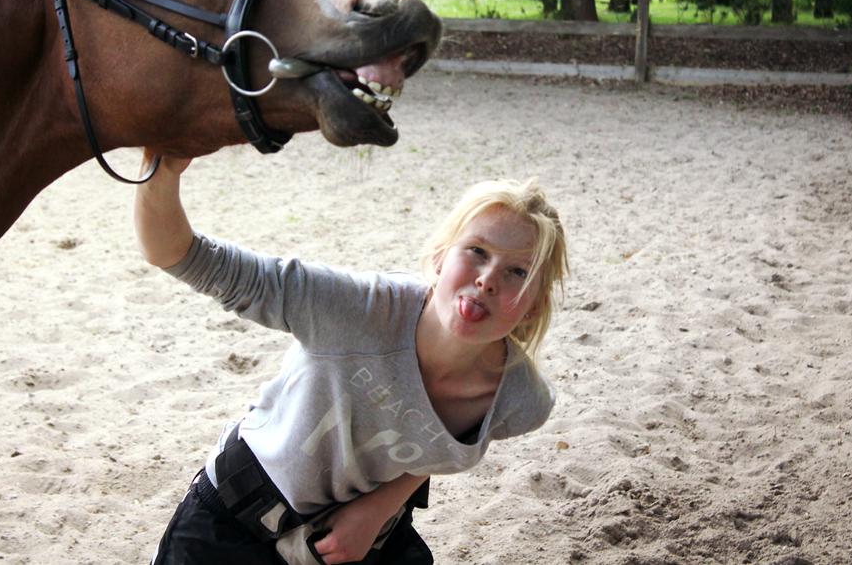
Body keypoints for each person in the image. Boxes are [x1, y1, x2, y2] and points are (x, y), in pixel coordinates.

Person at [135, 153, 569, 565]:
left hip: (358, 545)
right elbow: (178, 254)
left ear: (532, 305)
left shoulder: (521, 402)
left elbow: (430, 442)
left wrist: (380, 507)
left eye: (518, 272)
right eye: (476, 250)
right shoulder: (352, 309)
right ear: (440, 257)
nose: (487, 279)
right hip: (232, 521)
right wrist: (161, 169)